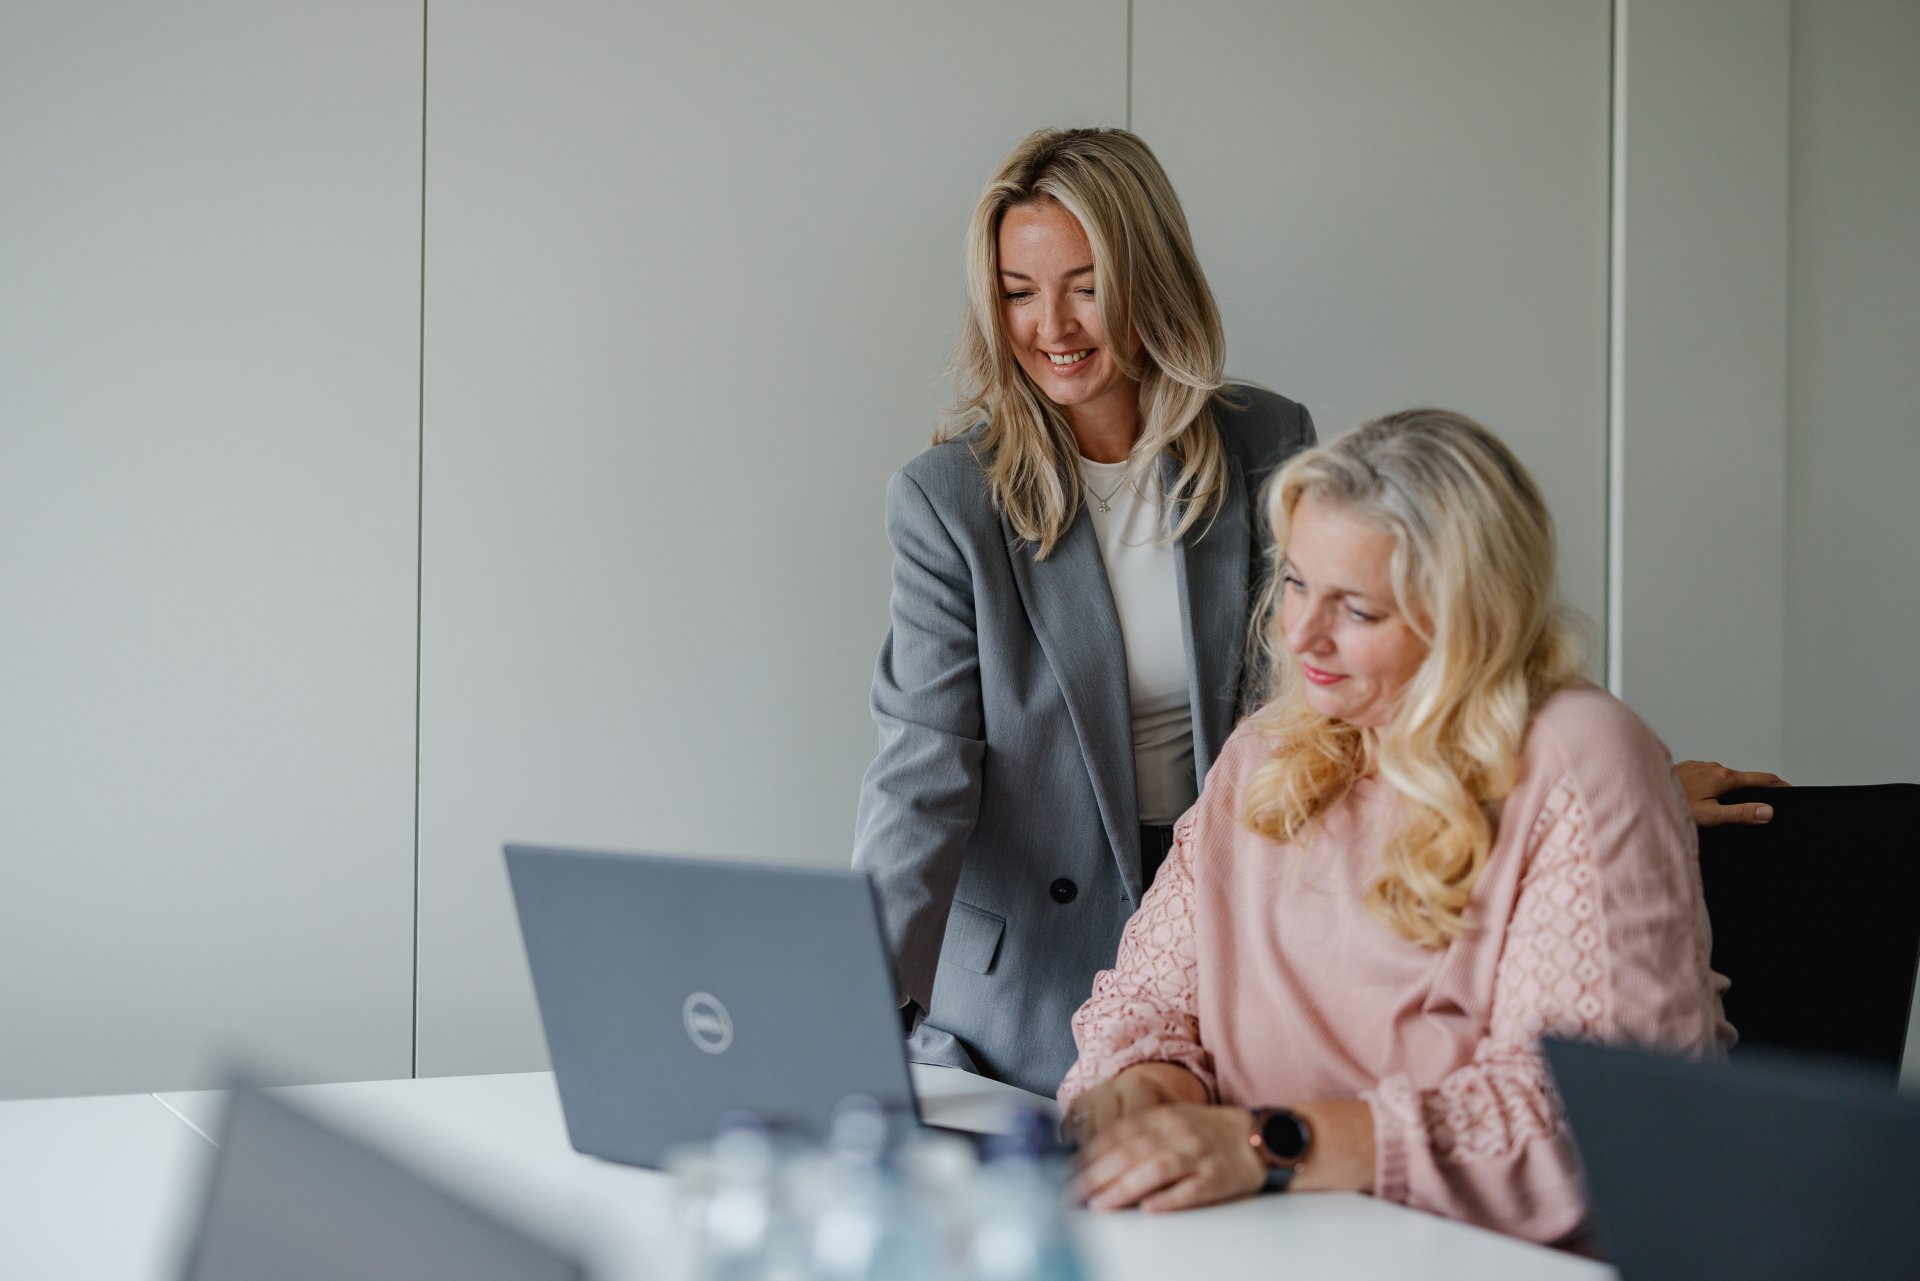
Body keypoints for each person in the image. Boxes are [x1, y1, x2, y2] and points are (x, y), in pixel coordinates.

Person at [853, 126, 1775, 1101]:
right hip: (1028, 978)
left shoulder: (1265, 441)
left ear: (1149, 276)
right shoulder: (949, 499)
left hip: (1261, 907)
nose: (1052, 324)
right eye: (1017, 289)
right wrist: (849, 1003)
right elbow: (923, 778)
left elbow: (1342, 712)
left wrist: (1592, 811)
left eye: (1086, 283)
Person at [1059, 411, 1733, 1245]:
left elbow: (1588, 1116)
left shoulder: (1580, 756)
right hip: (1264, 1240)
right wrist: (1149, 1083)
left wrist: (1265, 1143)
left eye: (1359, 610)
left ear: (1468, 619)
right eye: (1297, 584)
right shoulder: (1267, 753)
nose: (1301, 634)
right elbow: (1146, 997)